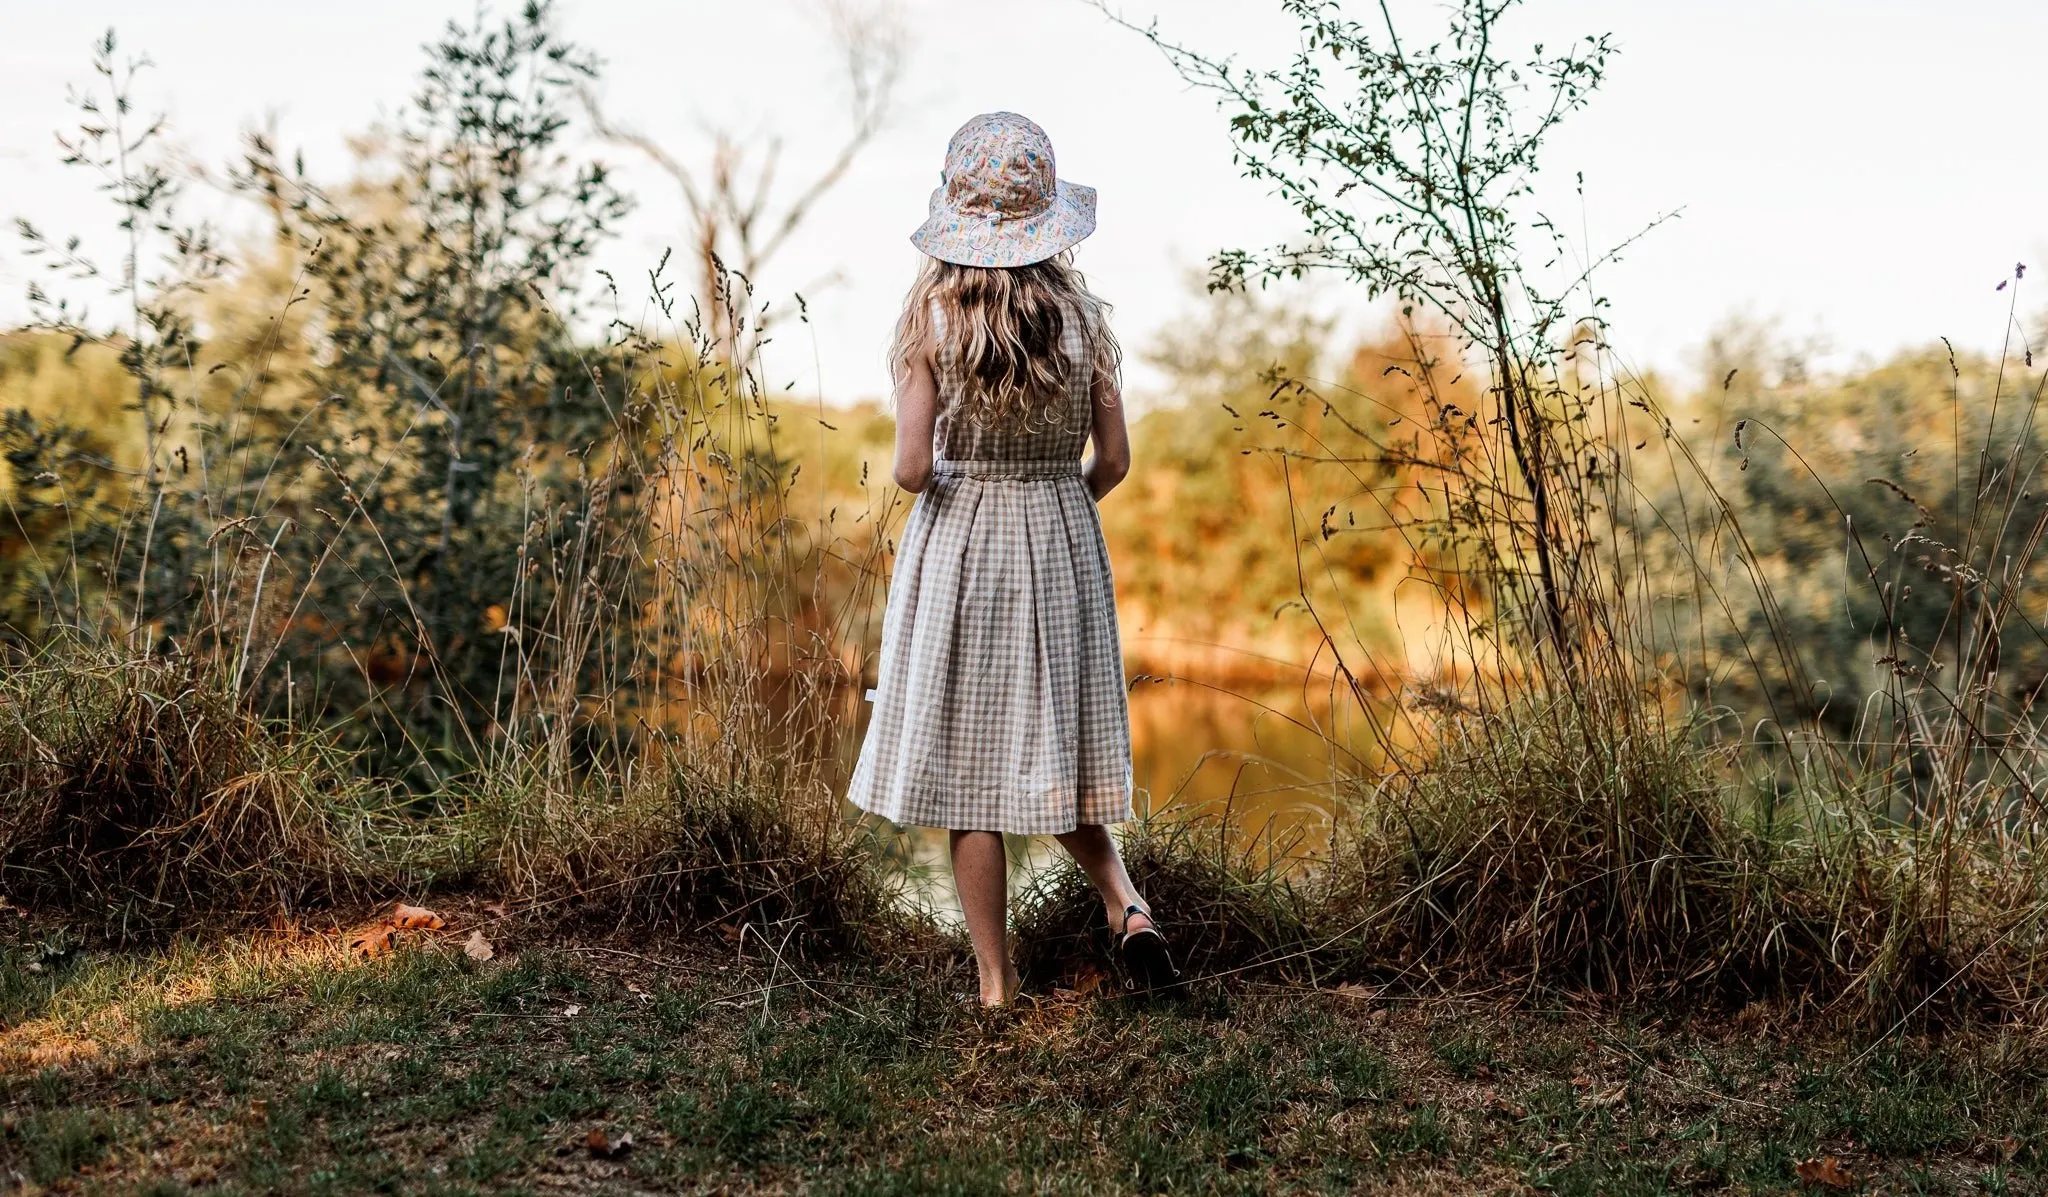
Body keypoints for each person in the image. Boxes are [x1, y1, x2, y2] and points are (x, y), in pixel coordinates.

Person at [847, 111, 1177, 1007]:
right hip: (1062, 537)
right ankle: (1127, 903)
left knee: (969, 765)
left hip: (963, 548)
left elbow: (914, 468)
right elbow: (1113, 461)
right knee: (1053, 740)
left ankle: (996, 987)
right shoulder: (1085, 323)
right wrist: (1058, 502)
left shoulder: (931, 320)